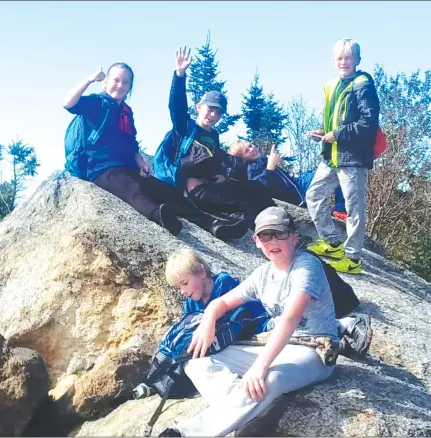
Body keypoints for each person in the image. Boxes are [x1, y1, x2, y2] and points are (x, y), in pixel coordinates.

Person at [159, 207, 372, 437]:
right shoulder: (262, 274)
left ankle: (185, 433)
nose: (272, 241)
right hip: (273, 344)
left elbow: (291, 318)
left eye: (279, 233)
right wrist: (208, 321)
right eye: (265, 235)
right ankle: (246, 410)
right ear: (256, 241)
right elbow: (221, 303)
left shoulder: (307, 266)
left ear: (294, 236)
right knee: (196, 361)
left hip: (313, 349)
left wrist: (259, 368)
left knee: (271, 379)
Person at [63, 63, 229, 238]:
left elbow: (131, 142)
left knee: (167, 192)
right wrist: (89, 79)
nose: (120, 85)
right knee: (133, 189)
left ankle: (212, 224)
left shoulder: (126, 112)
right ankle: (159, 216)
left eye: (125, 82)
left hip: (126, 167)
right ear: (106, 82)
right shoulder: (97, 103)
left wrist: (140, 161)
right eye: (116, 80)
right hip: (99, 169)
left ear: (130, 88)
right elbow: (68, 103)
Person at [153, 47, 276, 232]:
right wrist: (180, 75)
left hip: (210, 189)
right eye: (210, 109)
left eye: (218, 112)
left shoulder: (213, 136)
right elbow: (176, 106)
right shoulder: (185, 128)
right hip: (195, 193)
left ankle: (280, 227)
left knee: (255, 190)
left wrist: (221, 174)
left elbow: (219, 162)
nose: (213, 115)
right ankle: (252, 230)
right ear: (199, 107)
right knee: (246, 200)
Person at [305, 39, 380, 274]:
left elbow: (368, 123)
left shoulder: (363, 85)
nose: (343, 62)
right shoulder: (334, 85)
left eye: (348, 57)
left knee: (354, 208)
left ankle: (353, 259)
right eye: (339, 58)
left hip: (352, 157)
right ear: (333, 61)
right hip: (332, 155)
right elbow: (338, 118)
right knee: (314, 194)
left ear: (357, 60)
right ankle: (332, 243)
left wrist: (336, 134)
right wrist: (324, 131)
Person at [226, 140, 347, 219]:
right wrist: (270, 167)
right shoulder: (251, 169)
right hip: (296, 195)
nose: (252, 149)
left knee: (332, 168)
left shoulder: (262, 160)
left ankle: (340, 209)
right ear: (242, 158)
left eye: (250, 145)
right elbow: (261, 187)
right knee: (335, 171)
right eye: (246, 151)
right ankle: (340, 210)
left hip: (297, 183)